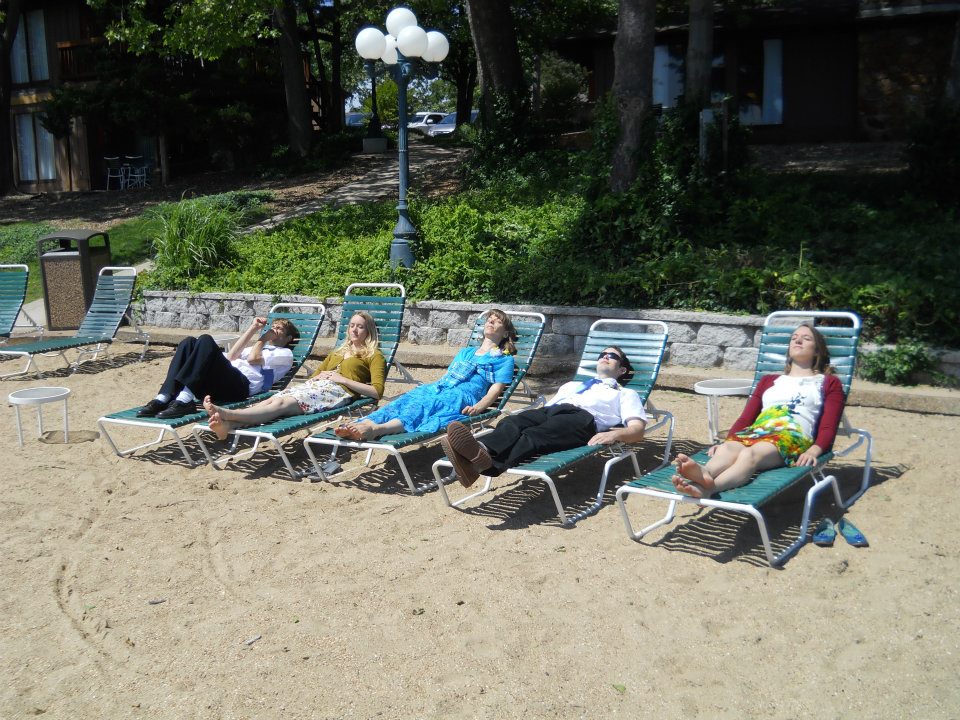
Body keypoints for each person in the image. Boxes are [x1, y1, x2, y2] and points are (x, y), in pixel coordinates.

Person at [671, 323, 845, 498]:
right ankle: (704, 472)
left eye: (806, 338)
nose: (798, 341)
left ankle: (709, 489)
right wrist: (728, 440)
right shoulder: (768, 380)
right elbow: (746, 418)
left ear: (817, 351)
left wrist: (813, 451)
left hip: (791, 437)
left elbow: (828, 426)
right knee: (728, 448)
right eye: (794, 338)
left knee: (749, 454)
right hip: (757, 432)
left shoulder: (828, 383)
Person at [440, 345, 647, 487]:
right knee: (513, 421)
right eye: (603, 353)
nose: (605, 356)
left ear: (622, 370)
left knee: (535, 435)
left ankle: (486, 467)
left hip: (583, 420)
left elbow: (637, 430)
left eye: (612, 356)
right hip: (551, 410)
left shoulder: (625, 393)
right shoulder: (572, 385)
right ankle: (481, 450)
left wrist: (614, 435)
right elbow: (548, 408)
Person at [333, 310, 518, 441]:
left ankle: (376, 429)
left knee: (426, 405)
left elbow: (496, 390)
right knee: (408, 398)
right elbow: (449, 376)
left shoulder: (504, 359)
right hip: (442, 386)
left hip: (463, 396)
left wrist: (479, 407)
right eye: (489, 319)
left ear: (505, 333)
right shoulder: (466, 352)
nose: (490, 322)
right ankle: (363, 422)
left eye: (497, 321)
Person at [202, 311, 386, 440]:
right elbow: (316, 374)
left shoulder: (374, 355)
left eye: (360, 327)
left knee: (281, 404)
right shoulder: (338, 351)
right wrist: (316, 378)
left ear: (368, 331)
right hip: (315, 387)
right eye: (352, 325)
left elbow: (377, 391)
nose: (354, 330)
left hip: (338, 392)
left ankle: (227, 413)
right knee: (272, 401)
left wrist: (342, 379)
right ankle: (227, 426)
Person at [135, 317, 299, 420]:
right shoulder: (258, 347)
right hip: (224, 380)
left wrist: (263, 338)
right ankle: (164, 396)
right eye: (273, 326)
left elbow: (253, 359)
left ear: (289, 338)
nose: (274, 330)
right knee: (188, 342)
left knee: (206, 340)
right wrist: (253, 328)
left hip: (240, 387)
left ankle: (185, 400)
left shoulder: (285, 354)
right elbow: (232, 356)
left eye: (279, 329)